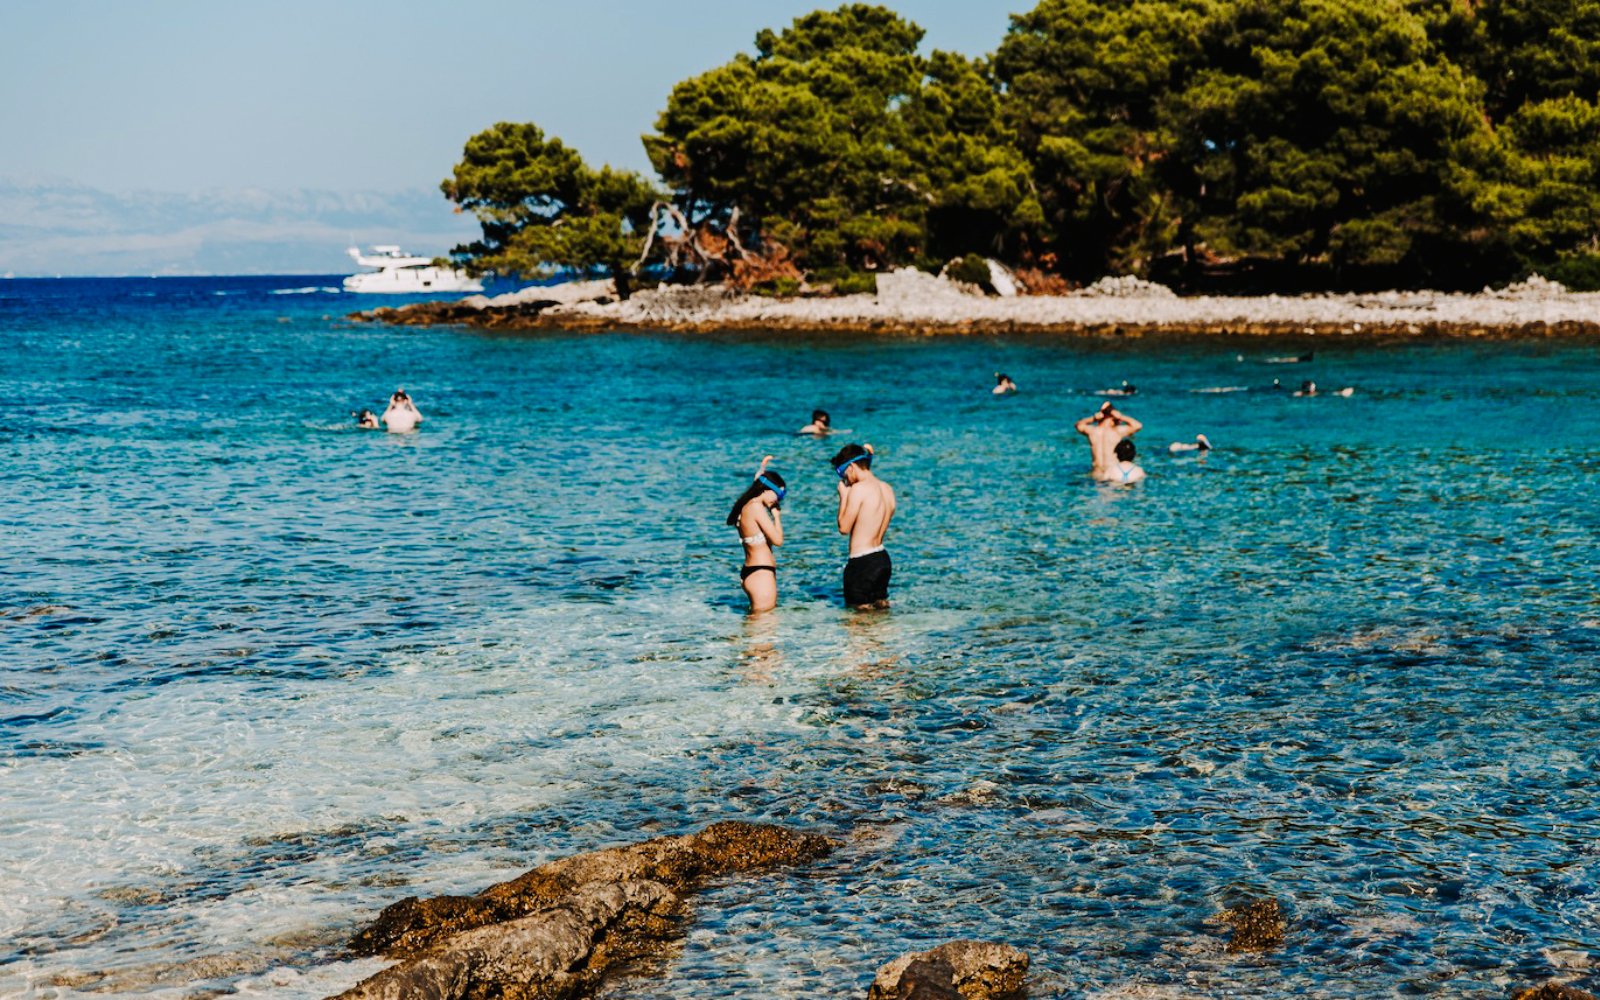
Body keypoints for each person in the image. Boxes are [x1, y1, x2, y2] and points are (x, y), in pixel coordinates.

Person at [832, 443, 897, 610]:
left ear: (852, 466)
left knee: (856, 624)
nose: (844, 479)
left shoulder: (859, 489)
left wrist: (843, 496)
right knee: (880, 618)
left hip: (862, 562)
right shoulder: (887, 488)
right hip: (882, 560)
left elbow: (844, 528)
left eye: (842, 473)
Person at [727, 456, 786, 613]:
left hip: (752, 571)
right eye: (779, 494)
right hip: (761, 574)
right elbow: (778, 540)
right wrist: (777, 517)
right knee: (765, 627)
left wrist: (760, 474)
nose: (778, 500)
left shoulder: (745, 506)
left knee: (756, 628)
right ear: (767, 489)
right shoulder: (756, 507)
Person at [1074, 402, 1143, 478]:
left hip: (1095, 474)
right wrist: (1121, 417)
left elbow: (1078, 425)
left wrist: (1093, 418)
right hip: (1112, 474)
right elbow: (1138, 425)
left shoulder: (1092, 431)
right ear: (1113, 416)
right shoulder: (1117, 431)